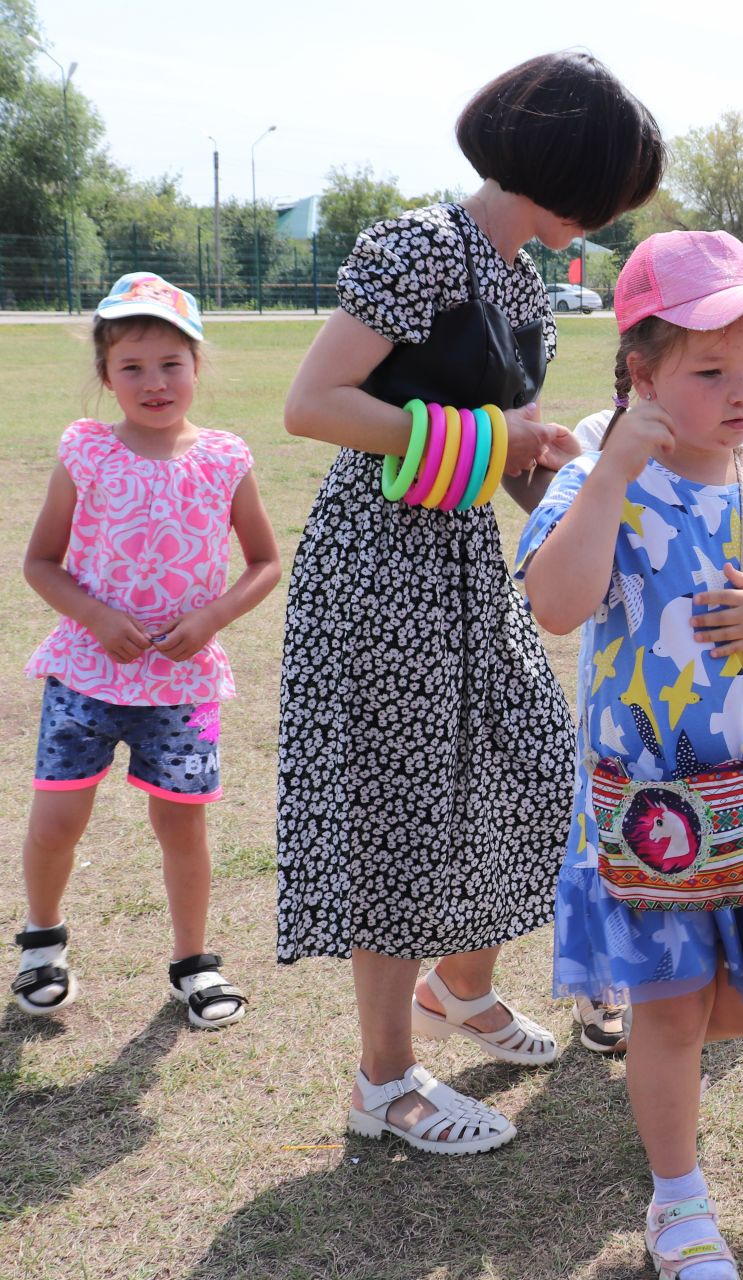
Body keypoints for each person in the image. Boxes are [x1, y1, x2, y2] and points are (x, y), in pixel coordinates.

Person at [278, 52, 662, 1156]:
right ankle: (385, 1080)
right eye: (608, 189)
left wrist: (603, 493)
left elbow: (522, 460)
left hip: (461, 560)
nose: (605, 216)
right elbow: (317, 403)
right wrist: (497, 437)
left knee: (537, 768)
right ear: (570, 169)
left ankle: (461, 987)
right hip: (377, 567)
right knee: (403, 819)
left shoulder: (522, 279)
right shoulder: (418, 244)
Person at [518, 230, 743, 1279]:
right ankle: (678, 1203)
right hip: (650, 810)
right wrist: (611, 472)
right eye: (711, 370)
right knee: (671, 1009)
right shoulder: (601, 480)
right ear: (643, 373)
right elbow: (554, 603)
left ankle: (656, 1052)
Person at [15, 273, 281, 1025]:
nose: (154, 382)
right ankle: (42, 939)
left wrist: (213, 618)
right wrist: (94, 617)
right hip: (85, 676)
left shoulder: (224, 457)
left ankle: (193, 964)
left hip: (184, 684)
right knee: (59, 821)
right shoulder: (88, 450)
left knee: (182, 825)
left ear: (197, 366)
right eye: (131, 366)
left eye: (171, 363)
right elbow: (40, 562)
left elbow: (265, 560)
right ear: (106, 375)